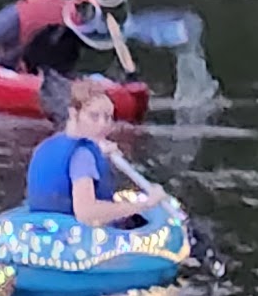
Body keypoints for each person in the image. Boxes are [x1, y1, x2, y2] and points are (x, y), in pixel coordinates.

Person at [25, 78, 166, 226]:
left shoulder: (45, 146)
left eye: (108, 117)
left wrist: (99, 150)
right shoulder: (83, 156)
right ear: (74, 114)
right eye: (94, 116)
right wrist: (144, 205)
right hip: (74, 239)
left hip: (43, 230)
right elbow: (86, 213)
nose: (103, 125)